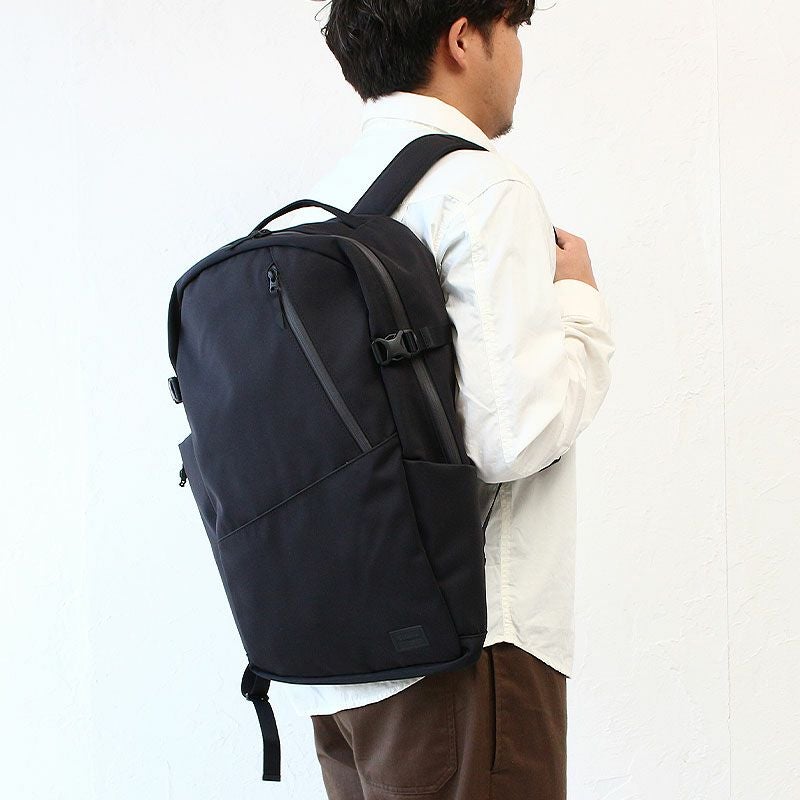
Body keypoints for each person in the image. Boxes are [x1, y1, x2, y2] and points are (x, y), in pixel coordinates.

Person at [278, 2, 616, 797]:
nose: (518, 54)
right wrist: (580, 307)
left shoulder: (329, 203)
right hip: (470, 655)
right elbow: (513, 437)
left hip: (346, 668)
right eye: (514, 28)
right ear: (464, 37)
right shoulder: (477, 185)